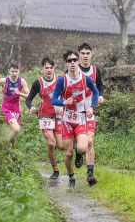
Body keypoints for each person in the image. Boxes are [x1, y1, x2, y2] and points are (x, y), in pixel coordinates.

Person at [52, 51, 99, 188]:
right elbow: (54, 99)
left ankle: (80, 153)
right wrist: (64, 103)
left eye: (74, 60)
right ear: (66, 63)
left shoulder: (85, 79)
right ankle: (71, 177)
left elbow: (95, 92)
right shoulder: (62, 80)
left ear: (78, 62)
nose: (72, 63)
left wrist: (92, 107)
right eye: (69, 60)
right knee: (68, 153)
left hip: (81, 118)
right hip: (67, 120)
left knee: (83, 148)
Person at [25, 57, 64, 179]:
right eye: (46, 68)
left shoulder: (60, 80)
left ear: (54, 69)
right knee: (51, 143)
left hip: (58, 114)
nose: (49, 70)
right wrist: (31, 107)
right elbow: (28, 99)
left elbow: (66, 95)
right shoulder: (38, 83)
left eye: (51, 68)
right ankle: (55, 170)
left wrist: (63, 105)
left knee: (61, 145)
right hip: (44, 115)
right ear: (42, 69)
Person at [74, 43, 104, 174]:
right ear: (79, 55)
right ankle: (78, 151)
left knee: (90, 140)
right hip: (74, 112)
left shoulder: (96, 71)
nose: (85, 56)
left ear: (91, 55)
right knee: (80, 144)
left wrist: (101, 96)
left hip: (90, 110)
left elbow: (100, 87)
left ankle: (90, 174)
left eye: (88, 53)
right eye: (82, 53)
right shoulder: (73, 69)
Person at [0, 61, 29, 148]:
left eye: (16, 71)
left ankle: (11, 154)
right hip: (6, 110)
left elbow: (28, 95)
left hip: (16, 111)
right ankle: (2, 147)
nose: (14, 74)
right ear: (9, 71)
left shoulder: (22, 81)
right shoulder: (4, 81)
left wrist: (20, 94)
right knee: (16, 129)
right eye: (12, 71)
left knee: (13, 137)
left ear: (19, 71)